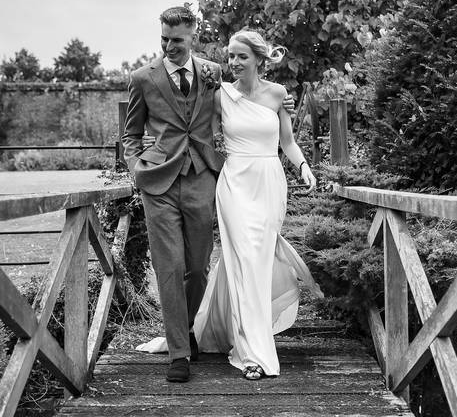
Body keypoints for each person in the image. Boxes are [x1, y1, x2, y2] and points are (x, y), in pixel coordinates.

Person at [136, 29, 321, 382]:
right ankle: (252, 352)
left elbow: (288, 142)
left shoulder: (279, 94)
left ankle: (227, 330)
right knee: (245, 260)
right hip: (234, 182)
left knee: (258, 261)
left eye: (241, 57)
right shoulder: (219, 95)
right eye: (230, 56)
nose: (233, 63)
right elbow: (186, 122)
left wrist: (303, 166)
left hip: (268, 182)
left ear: (259, 60)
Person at [122, 6, 225, 384]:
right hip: (158, 182)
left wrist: (280, 106)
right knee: (168, 267)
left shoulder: (213, 72)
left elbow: (237, 104)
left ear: (193, 35)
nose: (169, 46)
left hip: (201, 177)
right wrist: (136, 169)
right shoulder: (142, 78)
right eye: (163, 39)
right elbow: (130, 135)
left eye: (176, 40)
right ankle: (179, 352)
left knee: (197, 267)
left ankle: (186, 328)